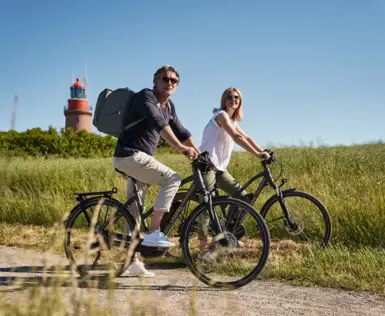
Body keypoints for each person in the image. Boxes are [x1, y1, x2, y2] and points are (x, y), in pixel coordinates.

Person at [113, 65, 200, 277]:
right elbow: (158, 122)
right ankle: (153, 233)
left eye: (174, 81)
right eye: (165, 79)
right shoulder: (146, 96)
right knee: (172, 179)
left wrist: (199, 152)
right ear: (156, 82)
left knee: (134, 211)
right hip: (130, 155)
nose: (169, 83)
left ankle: (130, 262)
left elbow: (181, 130)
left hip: (140, 160)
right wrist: (180, 148)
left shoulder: (168, 106)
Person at [197, 87, 270, 263]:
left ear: (240, 101)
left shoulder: (233, 121)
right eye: (229, 97)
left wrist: (263, 151)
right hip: (206, 165)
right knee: (207, 205)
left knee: (243, 197)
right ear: (224, 100)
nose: (233, 100)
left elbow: (247, 138)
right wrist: (257, 155)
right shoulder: (221, 115)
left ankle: (227, 236)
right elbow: (236, 138)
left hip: (219, 168)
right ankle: (201, 251)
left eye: (236, 97)